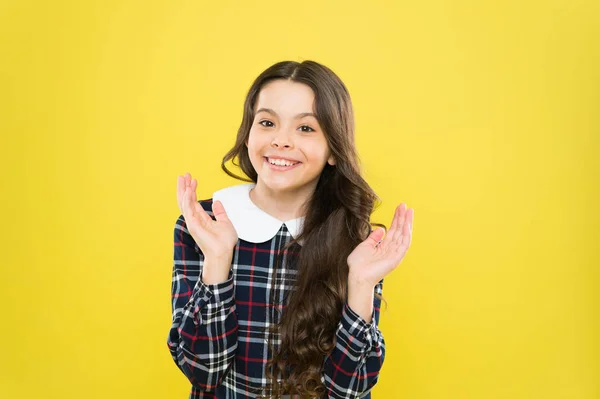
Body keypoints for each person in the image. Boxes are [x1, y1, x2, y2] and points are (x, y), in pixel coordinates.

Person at [167, 60, 415, 399]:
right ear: (248, 134)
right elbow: (202, 372)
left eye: (306, 128)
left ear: (333, 149)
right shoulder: (204, 225)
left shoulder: (355, 239)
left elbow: (350, 389)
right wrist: (217, 262)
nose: (281, 141)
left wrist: (361, 285)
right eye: (267, 122)